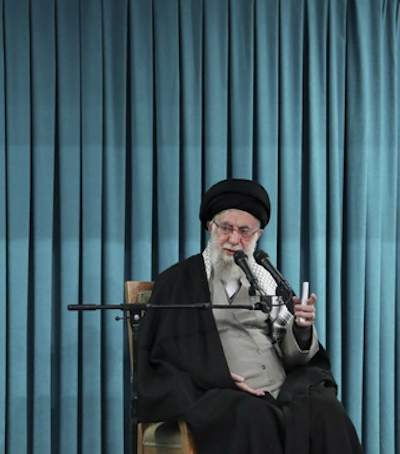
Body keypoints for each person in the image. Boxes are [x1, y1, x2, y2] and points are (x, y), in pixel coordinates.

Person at [137, 178, 363, 454]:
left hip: (283, 389)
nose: (234, 240)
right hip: (219, 392)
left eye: (244, 231)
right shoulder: (179, 281)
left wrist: (302, 329)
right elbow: (165, 356)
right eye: (226, 228)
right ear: (210, 226)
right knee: (254, 418)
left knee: (328, 412)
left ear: (258, 234)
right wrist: (217, 376)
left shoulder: (266, 278)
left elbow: (295, 357)